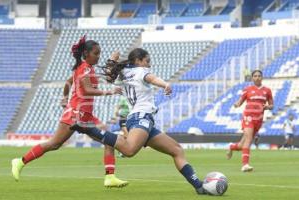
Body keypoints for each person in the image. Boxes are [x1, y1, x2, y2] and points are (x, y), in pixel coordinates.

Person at [70, 48, 207, 195]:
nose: (149, 64)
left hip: (138, 119)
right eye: (147, 61)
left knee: (176, 150)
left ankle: (199, 186)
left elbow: (110, 77)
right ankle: (90, 129)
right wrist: (165, 85)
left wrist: (112, 60)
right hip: (141, 118)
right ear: (138, 61)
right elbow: (152, 79)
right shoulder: (140, 72)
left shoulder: (123, 74)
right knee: (129, 150)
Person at [11, 36, 128, 187]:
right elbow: (86, 89)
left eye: (99, 53)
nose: (98, 56)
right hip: (75, 114)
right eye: (96, 53)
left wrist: (65, 97)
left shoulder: (85, 68)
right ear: (86, 53)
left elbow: (68, 82)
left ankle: (110, 178)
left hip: (85, 115)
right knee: (54, 144)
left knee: (109, 141)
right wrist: (110, 92)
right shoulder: (85, 68)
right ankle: (20, 161)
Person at [227, 70, 273, 172]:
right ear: (252, 78)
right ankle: (245, 165)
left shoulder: (267, 91)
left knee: (241, 145)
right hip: (248, 117)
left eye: (259, 76)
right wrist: (236, 104)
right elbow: (239, 102)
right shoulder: (247, 89)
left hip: (259, 119)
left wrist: (267, 107)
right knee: (248, 140)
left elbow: (271, 105)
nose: (257, 77)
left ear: (262, 77)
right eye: (255, 76)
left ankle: (231, 147)